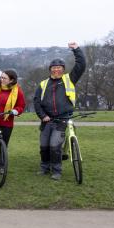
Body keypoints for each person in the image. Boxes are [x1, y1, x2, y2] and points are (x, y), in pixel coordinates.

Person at [34, 42, 86, 180]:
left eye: (59, 68)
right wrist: (42, 116)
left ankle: (56, 171)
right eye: (54, 68)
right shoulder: (43, 84)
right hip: (46, 120)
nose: (56, 70)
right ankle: (44, 167)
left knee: (54, 146)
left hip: (62, 119)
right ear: (50, 69)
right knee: (44, 146)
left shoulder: (69, 79)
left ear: (63, 69)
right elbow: (36, 102)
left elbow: (81, 65)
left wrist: (76, 49)